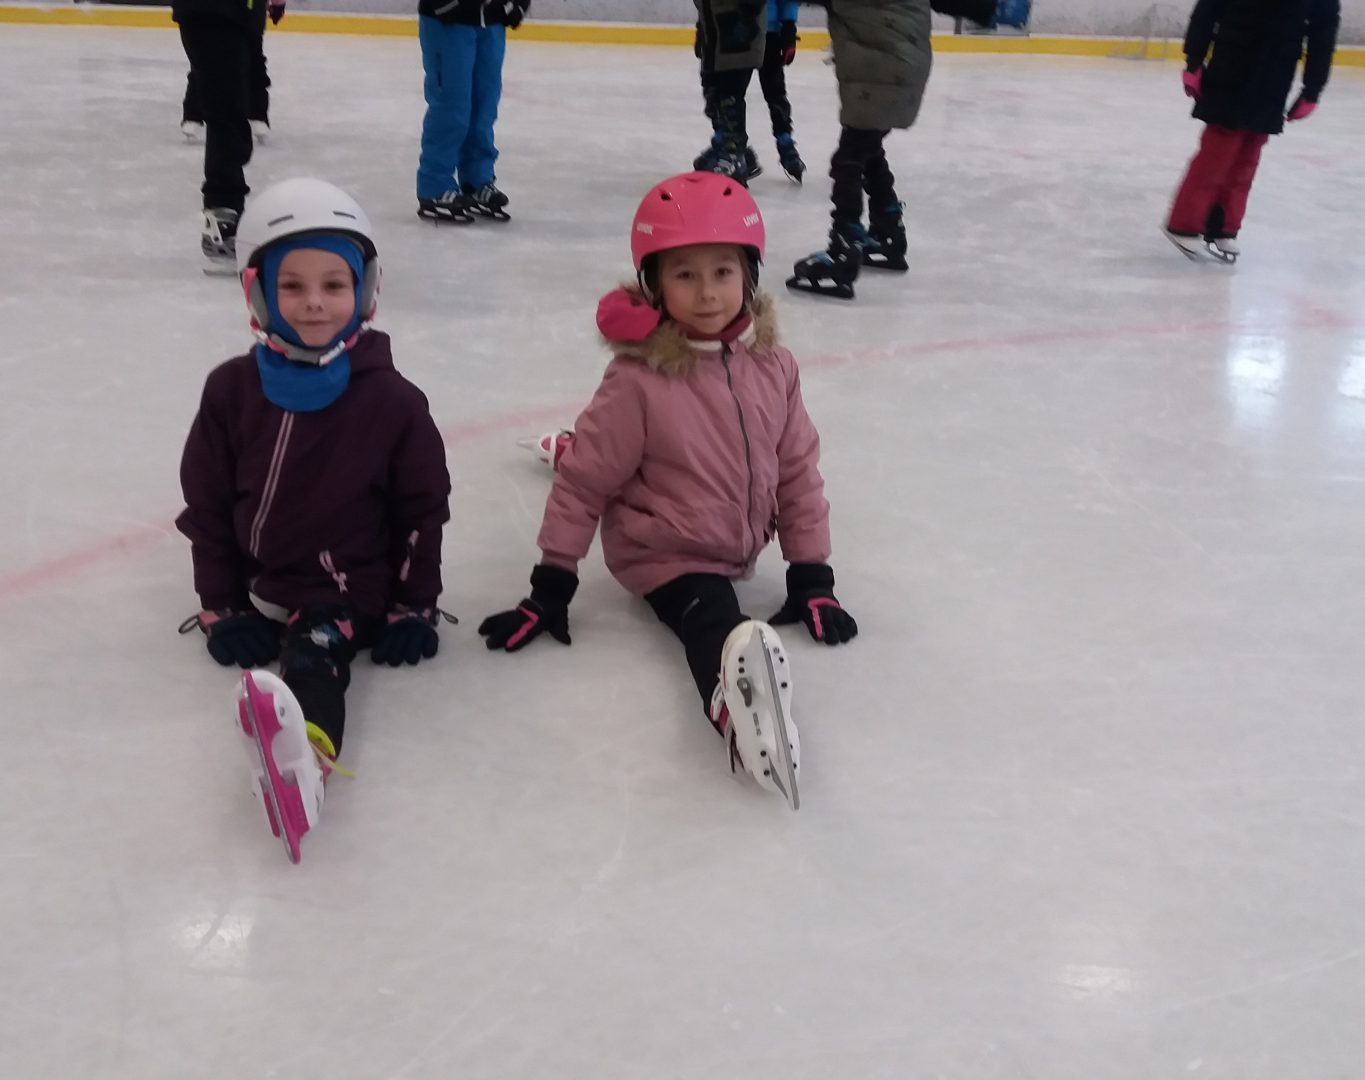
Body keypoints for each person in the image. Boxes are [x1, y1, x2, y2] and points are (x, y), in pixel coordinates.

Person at [481, 173, 859, 808]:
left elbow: (796, 470)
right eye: (685, 275)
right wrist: (550, 586)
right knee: (711, 617)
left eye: (722, 271)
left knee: (619, 457)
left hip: (736, 537)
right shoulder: (637, 380)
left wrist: (812, 577)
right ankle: (734, 709)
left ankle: (567, 440)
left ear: (750, 275)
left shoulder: (774, 366)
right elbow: (586, 482)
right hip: (665, 550)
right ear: (654, 283)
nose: (707, 292)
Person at [177, 178, 452, 832]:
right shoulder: (231, 391)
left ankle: (308, 761)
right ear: (258, 293)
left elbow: (423, 511)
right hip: (261, 575)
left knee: (314, 656)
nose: (314, 303)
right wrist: (223, 602)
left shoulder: (392, 402)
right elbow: (207, 506)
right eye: (292, 285)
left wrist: (413, 605)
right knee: (296, 636)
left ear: (366, 288)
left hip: (345, 585)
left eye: (334, 284)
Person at [786, 0, 993, 300]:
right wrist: (988, 8)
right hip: (904, 68)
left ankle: (843, 249)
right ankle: (887, 231)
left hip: (881, 72)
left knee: (848, 160)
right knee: (868, 149)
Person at [1162, 0, 1341, 263]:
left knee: (1250, 150)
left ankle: (1222, 225)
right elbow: (1208, 9)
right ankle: (1184, 224)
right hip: (1232, 62)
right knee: (1220, 147)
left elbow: (1323, 29)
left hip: (1277, 71)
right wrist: (1194, 60)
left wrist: (1313, 88)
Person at [174, 0, 286, 272]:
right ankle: (221, 220)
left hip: (240, 14)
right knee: (227, 116)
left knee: (231, 114)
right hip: (213, 12)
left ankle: (226, 214)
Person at [414, 0, 531, 224]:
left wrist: (519, 3)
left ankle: (476, 180)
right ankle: (435, 186)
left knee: (483, 108)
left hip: (492, 21)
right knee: (452, 107)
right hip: (448, 22)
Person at [696, 0, 807, 183]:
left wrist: (789, 27)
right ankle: (727, 146)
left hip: (766, 31)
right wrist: (703, 27)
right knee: (721, 91)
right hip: (727, 26)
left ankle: (784, 144)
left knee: (772, 92)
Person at [690, 0, 770, 181]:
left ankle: (733, 156)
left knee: (730, 94)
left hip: (739, 26)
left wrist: (749, 14)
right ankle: (730, 149)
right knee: (714, 93)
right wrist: (701, 29)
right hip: (714, 29)